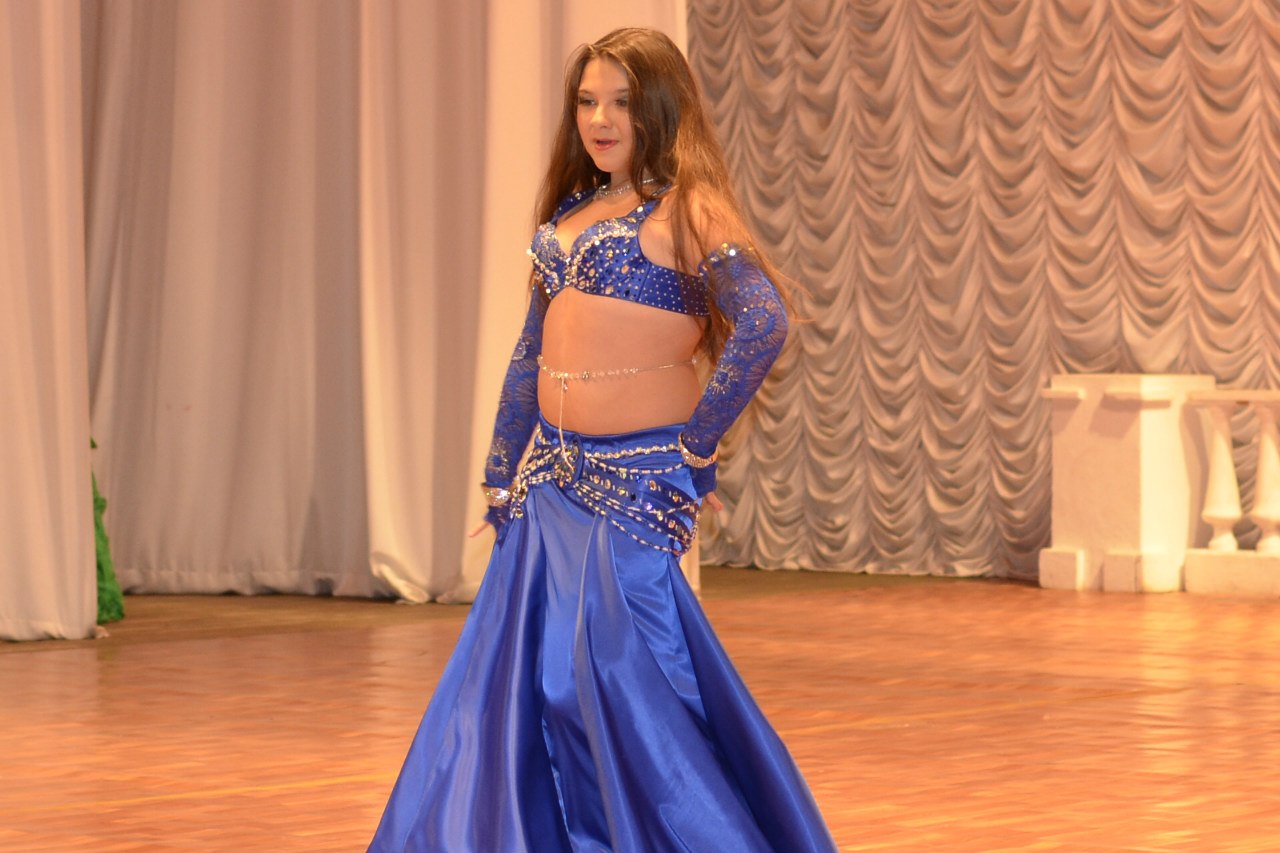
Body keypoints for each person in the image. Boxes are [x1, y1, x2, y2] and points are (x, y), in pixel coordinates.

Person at [368, 27, 837, 853]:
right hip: (547, 485)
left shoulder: (690, 209)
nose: (599, 119)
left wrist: (696, 446)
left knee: (620, 679)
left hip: (633, 485)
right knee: (526, 689)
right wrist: (499, 470)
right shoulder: (570, 215)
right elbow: (530, 353)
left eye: (621, 101)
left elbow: (764, 321)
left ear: (660, 107)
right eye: (587, 101)